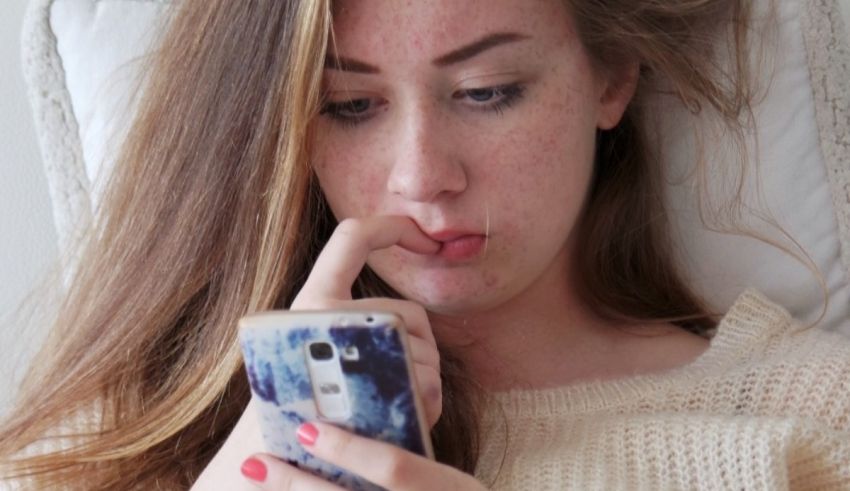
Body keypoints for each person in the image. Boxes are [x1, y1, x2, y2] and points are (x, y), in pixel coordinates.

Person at [2, 0, 850, 489]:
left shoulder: (811, 411)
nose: (421, 177)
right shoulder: (104, 441)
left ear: (612, 76)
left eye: (487, 92)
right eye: (351, 106)